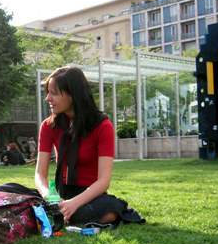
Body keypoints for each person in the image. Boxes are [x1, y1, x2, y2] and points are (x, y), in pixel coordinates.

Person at [34, 66, 143, 226]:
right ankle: (59, 212)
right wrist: (50, 198)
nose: (48, 98)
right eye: (48, 92)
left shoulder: (102, 126)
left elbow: (104, 181)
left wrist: (73, 204)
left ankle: (61, 214)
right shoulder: (49, 126)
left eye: (54, 93)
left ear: (73, 95)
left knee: (109, 212)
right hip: (59, 193)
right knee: (11, 191)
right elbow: (40, 174)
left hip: (90, 195)